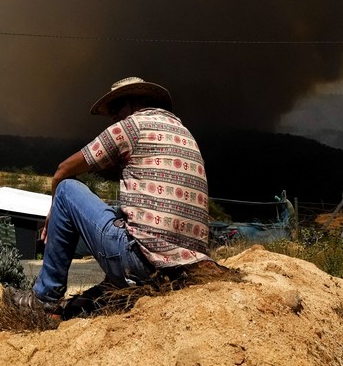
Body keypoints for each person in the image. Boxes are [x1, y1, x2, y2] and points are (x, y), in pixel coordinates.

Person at [13, 76, 211, 312]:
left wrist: (53, 211)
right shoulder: (185, 132)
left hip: (142, 263)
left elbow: (62, 171)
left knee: (66, 190)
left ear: (138, 102)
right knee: (123, 215)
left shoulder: (131, 127)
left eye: (117, 108)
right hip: (185, 271)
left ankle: (44, 297)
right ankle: (84, 303)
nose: (114, 117)